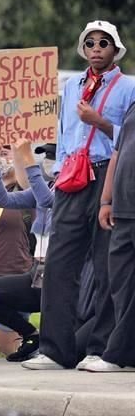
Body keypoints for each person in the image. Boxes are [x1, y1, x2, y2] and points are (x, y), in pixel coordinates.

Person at [24, 21, 135, 371]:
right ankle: (54, 350)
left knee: (106, 266)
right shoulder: (71, 86)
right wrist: (58, 172)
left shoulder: (129, 87)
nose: (97, 48)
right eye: (91, 43)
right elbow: (64, 132)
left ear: (116, 50)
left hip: (107, 173)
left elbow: (128, 137)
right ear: (84, 49)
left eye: (104, 42)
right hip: (73, 174)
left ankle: (100, 349)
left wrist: (100, 120)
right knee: (58, 262)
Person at [0, 139, 55, 363]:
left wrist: (28, 159)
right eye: (46, 156)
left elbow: (47, 200)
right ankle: (31, 335)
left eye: (53, 156)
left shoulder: (73, 190)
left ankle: (52, 347)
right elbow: (2, 199)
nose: (50, 162)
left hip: (59, 274)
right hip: (37, 272)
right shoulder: (48, 186)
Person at [89, 80, 135, 371]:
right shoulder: (133, 107)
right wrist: (106, 201)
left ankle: (116, 355)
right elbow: (117, 154)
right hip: (123, 209)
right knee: (121, 284)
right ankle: (127, 355)